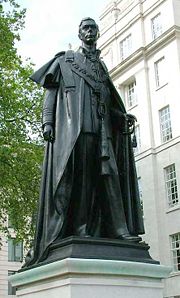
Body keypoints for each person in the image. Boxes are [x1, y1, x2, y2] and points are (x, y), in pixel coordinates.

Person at [27, 17, 144, 266]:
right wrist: (47, 122)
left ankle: (119, 229)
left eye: (93, 28)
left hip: (103, 133)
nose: (89, 31)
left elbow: (108, 101)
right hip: (77, 131)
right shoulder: (66, 60)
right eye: (85, 28)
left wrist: (121, 117)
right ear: (79, 33)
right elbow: (51, 94)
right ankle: (81, 229)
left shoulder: (101, 68)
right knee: (81, 180)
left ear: (98, 33)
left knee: (109, 178)